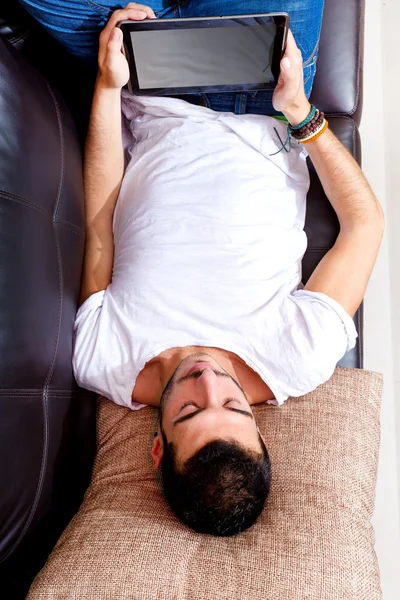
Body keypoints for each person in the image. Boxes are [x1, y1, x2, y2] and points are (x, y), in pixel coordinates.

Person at [21, 1, 384, 537]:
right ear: (258, 429)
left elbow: (100, 228)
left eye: (190, 411)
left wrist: (106, 87)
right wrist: (301, 111)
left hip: (144, 81)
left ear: (156, 447)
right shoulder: (299, 358)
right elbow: (365, 226)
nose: (208, 381)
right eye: (233, 406)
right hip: (260, 88)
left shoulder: (103, 358)